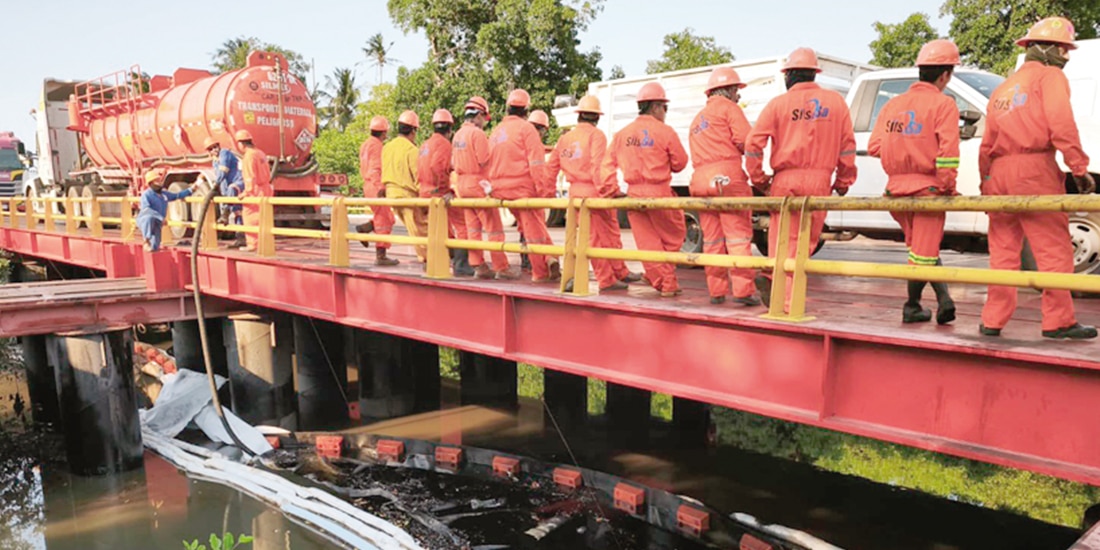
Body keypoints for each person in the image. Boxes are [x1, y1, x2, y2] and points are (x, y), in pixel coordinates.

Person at [978, 17, 1097, 339]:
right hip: (1034, 169)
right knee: (1054, 249)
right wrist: (1079, 167)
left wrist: (986, 182)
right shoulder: (1050, 77)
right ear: (1045, 50)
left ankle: (992, 320)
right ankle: (1058, 321)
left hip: (999, 171)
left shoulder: (1004, 87)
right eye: (1063, 50)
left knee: (1003, 252)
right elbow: (1061, 123)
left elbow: (986, 143)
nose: (1066, 58)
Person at [746, 47, 857, 309]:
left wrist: (760, 180)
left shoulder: (778, 105)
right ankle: (786, 301)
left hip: (784, 180)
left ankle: (774, 282)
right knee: (805, 242)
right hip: (819, 181)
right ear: (814, 74)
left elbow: (753, 144)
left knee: (780, 238)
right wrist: (844, 180)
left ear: (788, 77)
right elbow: (847, 147)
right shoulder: (836, 103)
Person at [868, 39, 961, 325]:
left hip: (895, 192)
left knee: (923, 249)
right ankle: (911, 306)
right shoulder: (944, 104)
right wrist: (946, 187)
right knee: (923, 252)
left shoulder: (893, 105)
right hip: (928, 191)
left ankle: (945, 301)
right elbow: (948, 155)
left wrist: (903, 149)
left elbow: (874, 146)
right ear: (945, 75)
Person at [601, 82, 689, 297]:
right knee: (675, 235)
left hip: (633, 195)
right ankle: (665, 281)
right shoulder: (664, 131)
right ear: (657, 106)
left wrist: (612, 190)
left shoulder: (622, 134)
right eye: (665, 108)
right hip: (659, 193)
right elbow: (680, 163)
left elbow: (606, 165)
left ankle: (657, 276)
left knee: (648, 242)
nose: (665, 113)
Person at [545, 95, 640, 292]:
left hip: (576, 194)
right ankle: (607, 279)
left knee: (600, 235)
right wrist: (611, 191)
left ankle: (619, 271)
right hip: (595, 192)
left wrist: (546, 196)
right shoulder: (596, 136)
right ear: (597, 117)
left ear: (579, 115)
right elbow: (599, 167)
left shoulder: (564, 139)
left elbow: (550, 169)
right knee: (604, 236)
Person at [688, 67, 762, 306]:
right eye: (736, 91)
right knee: (738, 237)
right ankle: (743, 291)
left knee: (711, 240)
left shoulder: (697, 119)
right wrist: (758, 175)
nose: (738, 96)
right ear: (729, 90)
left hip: (700, 180)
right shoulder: (730, 109)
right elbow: (746, 141)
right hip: (726, 177)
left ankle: (716, 291)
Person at [488, 89, 558, 282]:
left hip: (499, 191)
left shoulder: (496, 131)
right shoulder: (527, 130)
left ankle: (551, 257)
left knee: (531, 228)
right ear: (526, 110)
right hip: (522, 189)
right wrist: (542, 195)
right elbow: (537, 166)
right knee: (534, 230)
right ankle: (540, 272)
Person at [453, 96, 516, 279]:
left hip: (462, 185)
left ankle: (479, 266)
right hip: (478, 184)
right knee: (493, 227)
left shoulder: (458, 134)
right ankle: (501, 268)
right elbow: (484, 160)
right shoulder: (477, 134)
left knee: (473, 228)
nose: (484, 124)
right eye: (484, 119)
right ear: (479, 114)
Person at [419, 108, 473, 276]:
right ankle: (461, 264)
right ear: (449, 128)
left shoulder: (425, 145)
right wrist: (446, 189)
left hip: (424, 193)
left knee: (438, 230)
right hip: (437, 193)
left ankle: (433, 261)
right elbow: (437, 166)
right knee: (462, 224)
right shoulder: (443, 144)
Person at [383, 110, 428, 263]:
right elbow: (418, 178)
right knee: (422, 228)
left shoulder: (387, 147)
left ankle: (424, 256)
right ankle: (427, 258)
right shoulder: (412, 150)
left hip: (390, 194)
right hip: (407, 195)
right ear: (414, 130)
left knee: (414, 229)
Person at [358, 116, 398, 266]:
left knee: (387, 218)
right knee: (385, 220)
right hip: (375, 185)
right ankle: (381, 256)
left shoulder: (365, 145)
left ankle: (365, 229)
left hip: (367, 185)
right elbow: (375, 169)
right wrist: (381, 188)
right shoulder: (377, 146)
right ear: (384, 133)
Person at [137, 170, 192, 251]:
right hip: (145, 220)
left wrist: (191, 189)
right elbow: (146, 209)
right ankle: (146, 241)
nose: (159, 182)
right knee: (149, 218)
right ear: (151, 183)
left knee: (155, 247)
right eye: (156, 181)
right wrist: (160, 217)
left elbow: (177, 195)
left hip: (157, 222)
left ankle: (152, 247)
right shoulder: (146, 195)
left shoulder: (164, 194)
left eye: (159, 180)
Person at [237, 129, 273, 252]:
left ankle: (253, 245)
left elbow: (249, 176)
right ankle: (265, 242)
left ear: (241, 143)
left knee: (250, 217)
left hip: (255, 190)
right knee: (264, 217)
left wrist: (246, 192)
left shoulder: (249, 156)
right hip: (266, 188)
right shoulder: (260, 153)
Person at [204, 137, 243, 229]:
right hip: (230, 187)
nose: (214, 149)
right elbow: (222, 180)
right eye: (211, 149)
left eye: (215, 147)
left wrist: (216, 184)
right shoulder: (215, 161)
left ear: (219, 146)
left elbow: (223, 171)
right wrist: (223, 194)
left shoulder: (224, 153)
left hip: (239, 182)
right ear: (208, 152)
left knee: (231, 189)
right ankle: (240, 236)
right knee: (237, 210)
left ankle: (225, 214)